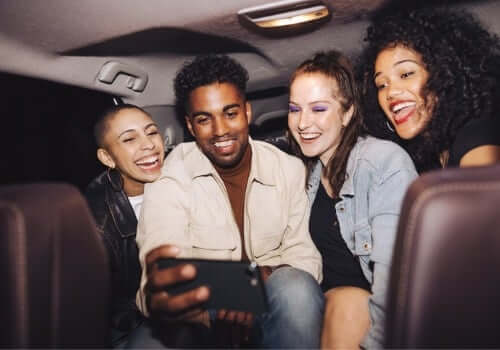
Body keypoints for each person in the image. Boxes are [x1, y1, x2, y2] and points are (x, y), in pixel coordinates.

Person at [132, 54, 324, 348]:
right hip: (203, 309)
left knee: (296, 289)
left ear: (247, 112)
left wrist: (259, 279)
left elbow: (305, 258)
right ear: (191, 126)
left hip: (272, 301)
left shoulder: (288, 170)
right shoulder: (169, 178)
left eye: (230, 113)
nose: (220, 130)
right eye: (204, 119)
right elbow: (160, 269)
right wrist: (228, 290)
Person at [287, 50, 418, 349]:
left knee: (348, 301)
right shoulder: (305, 175)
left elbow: (396, 280)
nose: (303, 123)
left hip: (366, 314)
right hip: (325, 308)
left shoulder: (383, 162)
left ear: (347, 113)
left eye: (318, 109)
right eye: (295, 109)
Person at [358, 6, 500, 173]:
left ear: (445, 75)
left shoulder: (477, 134)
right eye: (382, 85)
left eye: (406, 74)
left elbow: (483, 194)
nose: (391, 92)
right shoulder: (427, 158)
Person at [85, 104, 165, 347]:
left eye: (151, 132)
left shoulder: (188, 182)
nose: (148, 145)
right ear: (107, 157)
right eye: (129, 139)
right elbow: (99, 312)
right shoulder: (95, 222)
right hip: (133, 328)